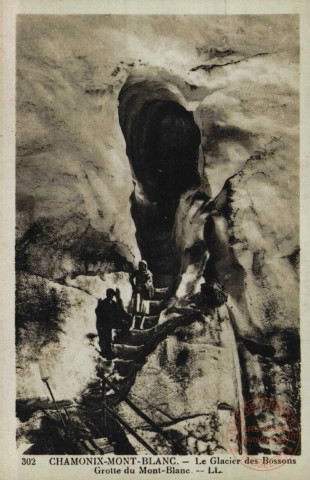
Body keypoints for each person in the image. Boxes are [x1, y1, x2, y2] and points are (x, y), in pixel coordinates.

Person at [95, 288, 129, 359]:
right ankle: (107, 353)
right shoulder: (103, 303)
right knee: (106, 338)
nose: (111, 296)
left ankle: (112, 347)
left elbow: (117, 313)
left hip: (111, 322)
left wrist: (121, 320)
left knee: (110, 337)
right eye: (110, 294)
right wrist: (100, 325)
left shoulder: (113, 303)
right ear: (107, 294)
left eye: (112, 295)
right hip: (104, 323)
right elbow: (99, 314)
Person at [129, 260, 154, 329]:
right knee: (135, 309)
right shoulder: (137, 272)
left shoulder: (148, 273)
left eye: (142, 265)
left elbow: (149, 282)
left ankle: (141, 325)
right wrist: (133, 285)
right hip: (137, 292)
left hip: (145, 293)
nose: (141, 266)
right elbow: (131, 277)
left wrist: (142, 287)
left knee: (144, 310)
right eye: (140, 265)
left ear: (145, 266)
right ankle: (132, 324)